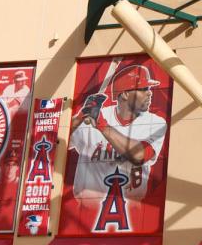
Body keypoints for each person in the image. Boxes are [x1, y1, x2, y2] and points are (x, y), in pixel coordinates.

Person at [69, 64, 168, 226]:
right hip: (85, 214)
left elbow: (139, 155)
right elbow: (55, 142)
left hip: (133, 216)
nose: (150, 93)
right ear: (125, 94)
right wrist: (80, 116)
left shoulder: (155, 122)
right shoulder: (97, 115)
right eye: (144, 88)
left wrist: (102, 125)